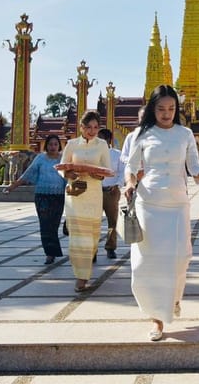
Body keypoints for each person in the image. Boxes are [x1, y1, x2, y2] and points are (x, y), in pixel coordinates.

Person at [125, 85, 199, 341]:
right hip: (148, 203)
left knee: (179, 258)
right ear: (153, 109)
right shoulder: (142, 133)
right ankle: (156, 318)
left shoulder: (184, 134)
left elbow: (194, 168)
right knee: (147, 262)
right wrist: (130, 183)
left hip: (176, 204)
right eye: (161, 109)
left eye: (171, 109)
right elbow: (131, 166)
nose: (166, 114)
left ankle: (172, 300)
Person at [58, 110, 112, 293]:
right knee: (77, 238)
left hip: (94, 195)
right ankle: (80, 278)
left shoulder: (102, 145)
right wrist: (68, 173)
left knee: (91, 237)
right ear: (81, 127)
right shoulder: (72, 145)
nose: (92, 131)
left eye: (96, 127)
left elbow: (107, 169)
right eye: (88, 127)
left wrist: (96, 173)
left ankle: (85, 271)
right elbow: (61, 167)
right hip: (75, 195)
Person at [4, 135, 67, 265]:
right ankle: (49, 254)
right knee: (45, 225)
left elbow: (69, 178)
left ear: (59, 146)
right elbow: (28, 173)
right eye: (50, 144)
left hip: (58, 196)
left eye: (55, 144)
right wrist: (12, 186)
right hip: (42, 196)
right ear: (46, 146)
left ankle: (53, 251)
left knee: (53, 225)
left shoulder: (63, 160)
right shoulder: (40, 158)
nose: (53, 147)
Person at [98, 128, 122, 260]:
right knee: (94, 222)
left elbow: (123, 171)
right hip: (95, 191)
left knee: (112, 221)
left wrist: (118, 184)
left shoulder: (117, 155)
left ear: (108, 140)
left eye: (102, 138)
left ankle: (110, 248)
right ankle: (92, 250)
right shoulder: (93, 154)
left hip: (111, 190)